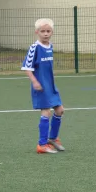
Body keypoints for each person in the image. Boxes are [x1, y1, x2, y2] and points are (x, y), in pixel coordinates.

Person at [21, 18, 66, 154]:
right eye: (43, 31)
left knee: (60, 110)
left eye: (48, 31)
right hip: (40, 86)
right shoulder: (35, 48)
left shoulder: (50, 46)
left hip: (51, 85)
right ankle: (42, 144)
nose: (46, 34)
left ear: (52, 32)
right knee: (46, 112)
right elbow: (27, 67)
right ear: (37, 32)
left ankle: (52, 139)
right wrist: (35, 82)